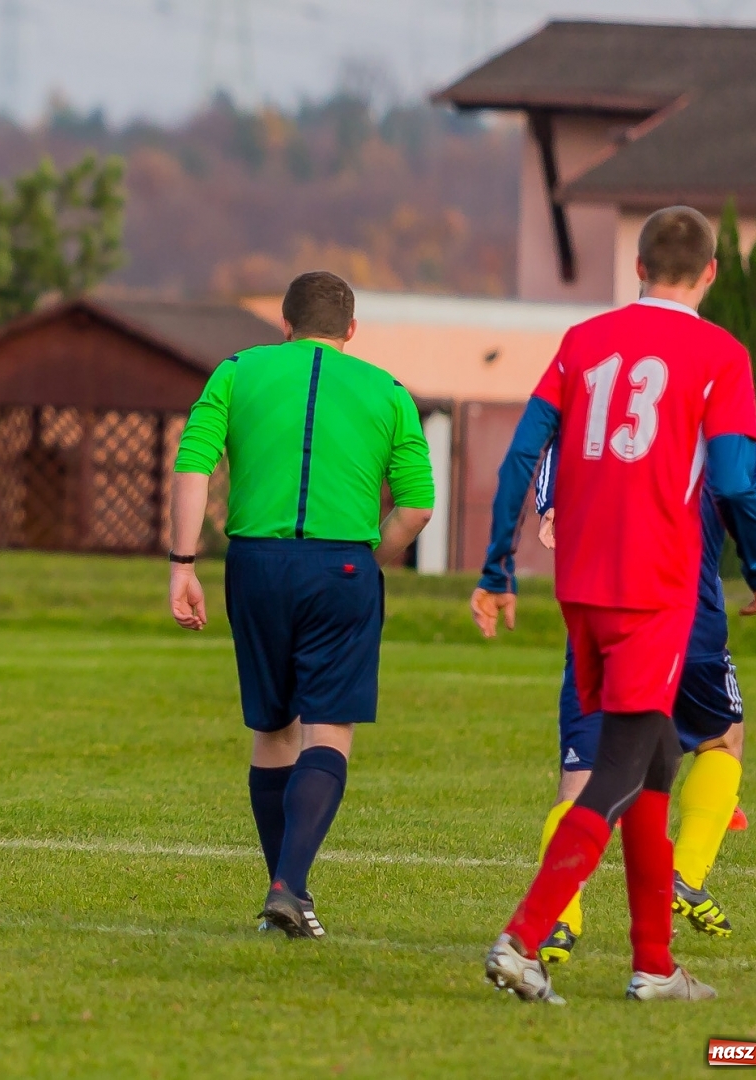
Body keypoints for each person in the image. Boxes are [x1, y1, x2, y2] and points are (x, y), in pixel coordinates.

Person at [472, 206, 756, 1004]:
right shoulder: (720, 352)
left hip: (583, 587)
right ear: (711, 273)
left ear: (637, 267)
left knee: (655, 764)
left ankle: (653, 964)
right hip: (656, 588)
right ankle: (523, 937)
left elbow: (523, 455)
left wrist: (497, 567)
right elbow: (739, 478)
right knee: (620, 764)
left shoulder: (582, 342)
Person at [168, 271, 435, 938]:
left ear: (284, 324)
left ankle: (284, 893)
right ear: (350, 332)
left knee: (273, 730)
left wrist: (182, 564)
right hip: (341, 562)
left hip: (254, 561)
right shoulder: (388, 390)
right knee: (328, 729)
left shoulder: (236, 370)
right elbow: (418, 505)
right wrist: (375, 559)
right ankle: (291, 885)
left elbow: (193, 466)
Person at [529, 441, 756, 965]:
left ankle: (558, 918)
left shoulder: (607, 398)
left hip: (603, 617)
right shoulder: (732, 432)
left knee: (583, 777)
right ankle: (686, 875)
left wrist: (550, 502)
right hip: (688, 622)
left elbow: (558, 430)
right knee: (723, 739)